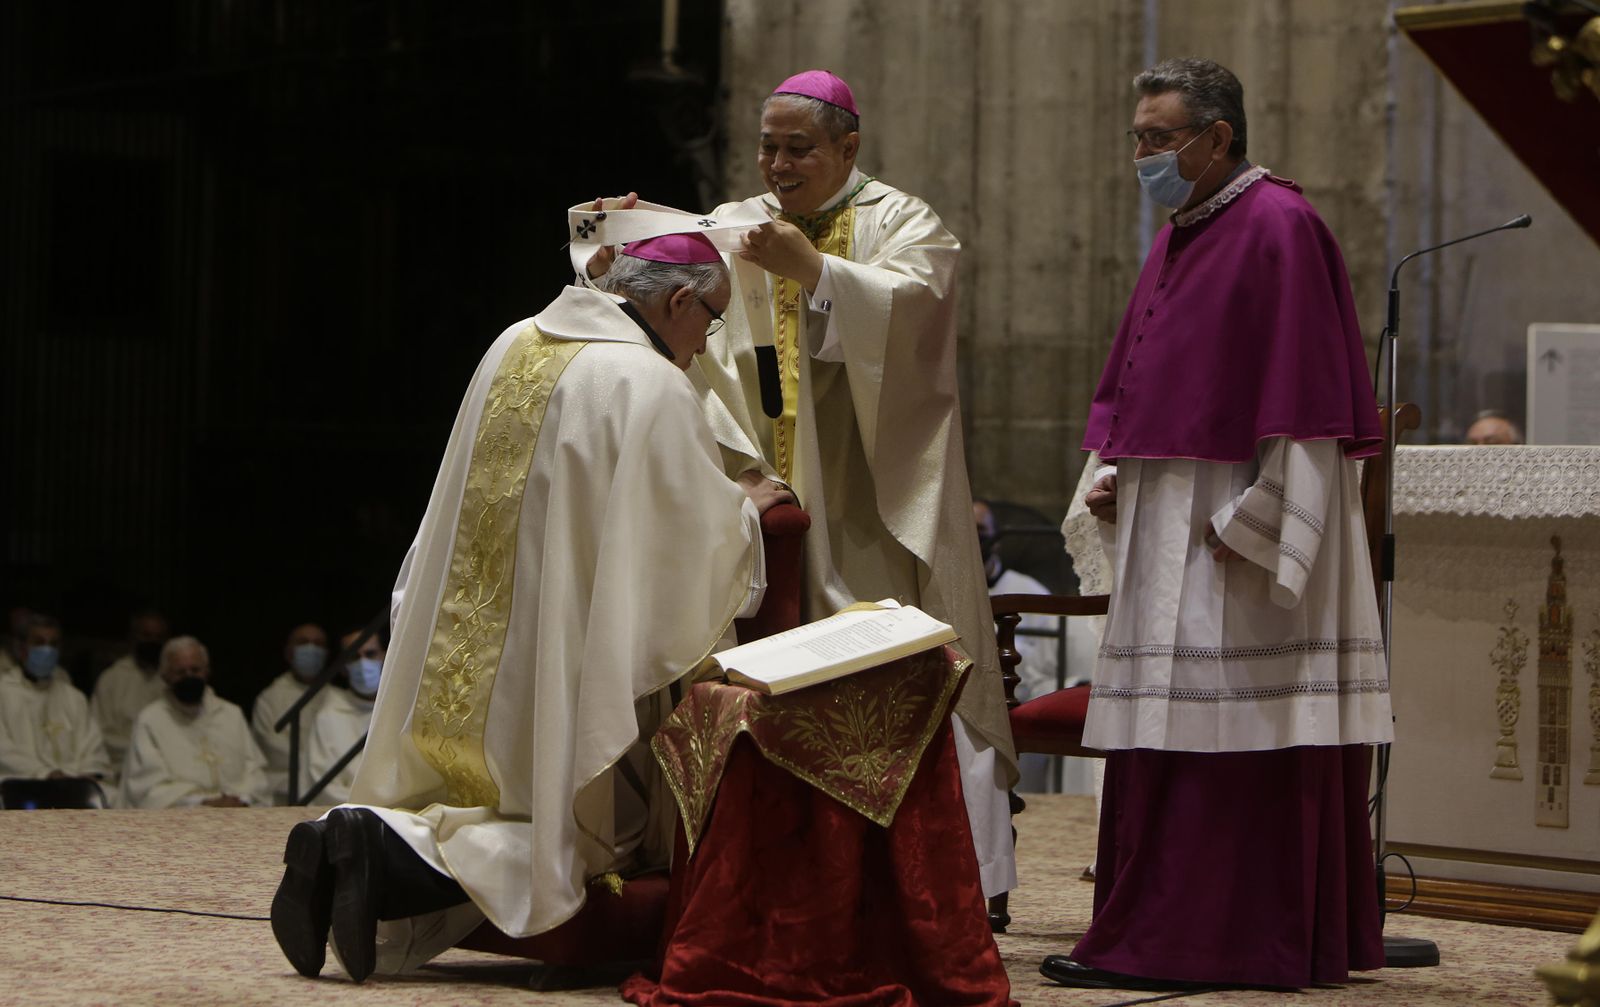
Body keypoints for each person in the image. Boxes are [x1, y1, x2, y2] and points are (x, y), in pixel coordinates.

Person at [269, 224, 788, 983]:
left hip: (467, 643)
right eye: (710, 320)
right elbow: (683, 541)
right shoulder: (647, 381)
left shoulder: (512, 343)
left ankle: (358, 834)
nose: (704, 345)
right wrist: (743, 510)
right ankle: (378, 848)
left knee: (472, 797)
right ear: (678, 301)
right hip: (557, 653)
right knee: (582, 841)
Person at [1040, 58, 1391, 992]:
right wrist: (1117, 479)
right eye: (1138, 137)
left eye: (1160, 138)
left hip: (1232, 536)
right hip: (1171, 525)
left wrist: (1259, 522)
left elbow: (1309, 407)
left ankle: (1205, 938)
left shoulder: (1280, 225)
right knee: (1164, 729)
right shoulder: (1182, 232)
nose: (1144, 156)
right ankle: (1151, 926)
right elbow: (1150, 394)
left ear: (1218, 137)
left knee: (1226, 723)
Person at [689, 69, 1017, 899]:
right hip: (765, 485)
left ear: (848, 147)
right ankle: (775, 871)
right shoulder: (736, 221)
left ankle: (931, 882)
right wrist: (622, 234)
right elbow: (675, 286)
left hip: (871, 497)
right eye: (768, 147)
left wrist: (818, 273)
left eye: (799, 148)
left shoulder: (903, 220)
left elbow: (920, 311)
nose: (778, 165)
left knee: (892, 662)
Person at [120, 635, 271, 808]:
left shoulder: (231, 714)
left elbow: (254, 773)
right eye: (180, 672)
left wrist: (241, 799)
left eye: (195, 670)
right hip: (180, 815)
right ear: (165, 676)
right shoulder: (150, 720)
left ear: (207, 671)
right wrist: (204, 803)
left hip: (237, 809)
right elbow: (148, 786)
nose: (189, 676)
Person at [0, 614, 112, 782]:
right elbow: (3, 750)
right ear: (21, 648)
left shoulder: (73, 697)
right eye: (39, 643)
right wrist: (45, 773)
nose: (47, 650)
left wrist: (89, 771)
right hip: (21, 782)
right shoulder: (3, 692)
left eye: (53, 644)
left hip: (73, 782)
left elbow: (92, 746)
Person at [300, 627, 384, 806]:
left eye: (370, 654)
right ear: (343, 668)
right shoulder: (328, 717)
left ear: (384, 657)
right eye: (354, 657)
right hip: (350, 811)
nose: (363, 663)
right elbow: (321, 786)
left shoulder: (402, 708)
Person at [251, 622, 332, 804]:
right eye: (303, 642)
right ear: (288, 652)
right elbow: (271, 747)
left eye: (318, 644)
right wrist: (318, 763)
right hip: (283, 790)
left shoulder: (337, 698)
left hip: (330, 787)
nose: (311, 648)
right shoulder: (270, 698)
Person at [91, 608, 172, 768]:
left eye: (159, 637)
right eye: (147, 635)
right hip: (120, 764)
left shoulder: (172, 679)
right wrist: (143, 752)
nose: (153, 642)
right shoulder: (112, 679)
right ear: (133, 637)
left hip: (168, 762)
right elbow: (98, 732)